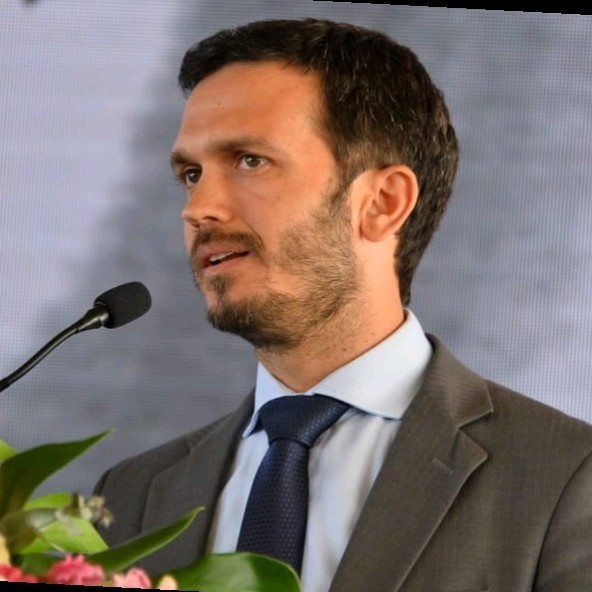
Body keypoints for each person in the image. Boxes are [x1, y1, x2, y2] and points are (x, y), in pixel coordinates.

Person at [94, 18, 592, 592]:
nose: (197, 207)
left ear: (382, 203)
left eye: (250, 160)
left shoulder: (567, 480)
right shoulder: (130, 495)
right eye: (191, 173)